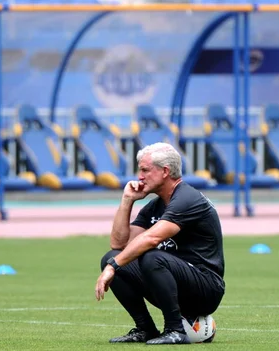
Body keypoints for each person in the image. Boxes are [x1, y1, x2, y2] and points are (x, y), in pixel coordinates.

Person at [95, 142, 225, 345]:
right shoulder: (155, 206)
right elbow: (119, 243)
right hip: (171, 283)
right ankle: (145, 329)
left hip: (206, 289)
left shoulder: (187, 198)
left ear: (165, 171)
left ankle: (176, 330)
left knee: (149, 256)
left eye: (145, 170)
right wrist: (127, 200)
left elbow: (151, 239)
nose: (140, 176)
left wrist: (113, 267)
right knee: (111, 257)